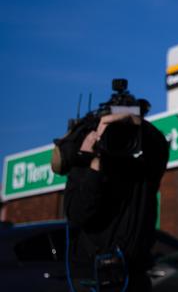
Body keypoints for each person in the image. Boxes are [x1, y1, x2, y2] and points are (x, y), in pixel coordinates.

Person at [58, 83, 169, 292]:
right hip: (93, 279)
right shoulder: (83, 169)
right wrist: (95, 163)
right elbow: (78, 215)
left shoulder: (142, 172)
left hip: (133, 278)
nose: (117, 136)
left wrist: (135, 120)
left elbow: (159, 147)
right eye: (111, 132)